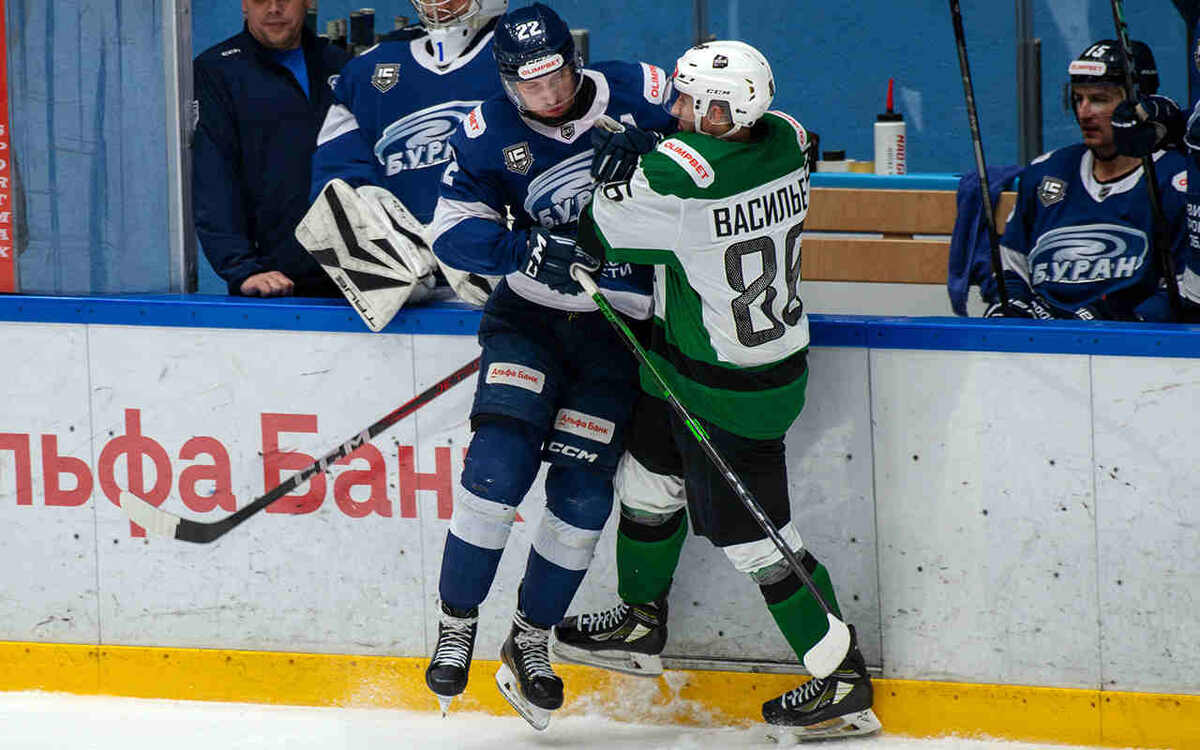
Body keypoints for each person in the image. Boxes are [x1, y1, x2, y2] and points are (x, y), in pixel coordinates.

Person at [552, 40, 881, 742]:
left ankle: (842, 678)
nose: (674, 109)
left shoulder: (680, 182)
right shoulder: (787, 139)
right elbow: (736, 155)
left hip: (726, 388)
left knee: (757, 540)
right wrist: (654, 151)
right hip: (698, 363)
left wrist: (623, 172)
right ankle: (640, 622)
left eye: (689, 101)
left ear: (723, 112)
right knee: (648, 482)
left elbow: (596, 235)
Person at [420, 2, 673, 730]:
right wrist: (521, 250)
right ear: (507, 82)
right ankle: (456, 623)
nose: (549, 95)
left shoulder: (644, 93)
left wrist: (661, 153)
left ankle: (531, 638)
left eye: (557, 77)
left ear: (575, 59)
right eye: (530, 86)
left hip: (616, 333)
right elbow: (450, 230)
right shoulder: (485, 130)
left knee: (584, 498)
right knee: (496, 469)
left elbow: (741, 136)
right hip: (529, 322)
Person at [309, 0, 507, 305]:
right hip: (410, 291)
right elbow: (334, 180)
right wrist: (377, 251)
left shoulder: (522, 61)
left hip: (504, 283)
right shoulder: (367, 71)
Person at [985, 39, 1188, 321]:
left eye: (1099, 99)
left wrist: (1122, 320)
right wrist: (1012, 304)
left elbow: (1186, 290)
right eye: (1078, 98)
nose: (1084, 112)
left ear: (1140, 104)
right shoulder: (1046, 172)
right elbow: (1010, 269)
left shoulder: (1177, 181)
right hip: (1042, 337)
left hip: (1128, 341)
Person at [193, 0, 350, 297]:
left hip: (359, 273)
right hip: (274, 280)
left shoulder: (342, 65)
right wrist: (242, 268)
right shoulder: (219, 70)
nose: (274, 8)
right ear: (244, 4)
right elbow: (213, 175)